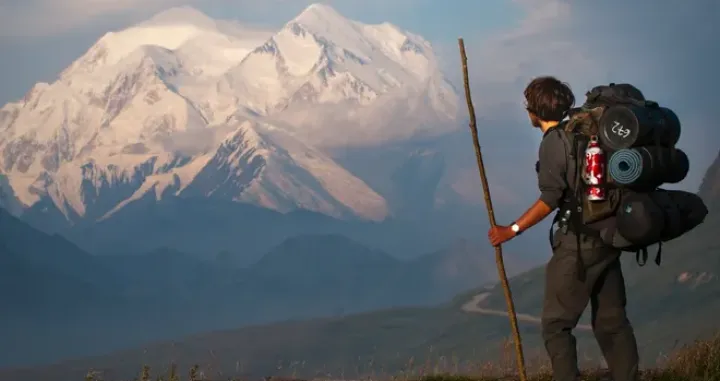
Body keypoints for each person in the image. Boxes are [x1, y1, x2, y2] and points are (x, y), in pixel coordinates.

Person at [487, 76, 640, 381]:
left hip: (578, 243)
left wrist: (512, 229)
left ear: (534, 111)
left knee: (556, 325)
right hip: (609, 234)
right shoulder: (587, 130)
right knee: (612, 320)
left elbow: (550, 199)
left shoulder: (555, 143)